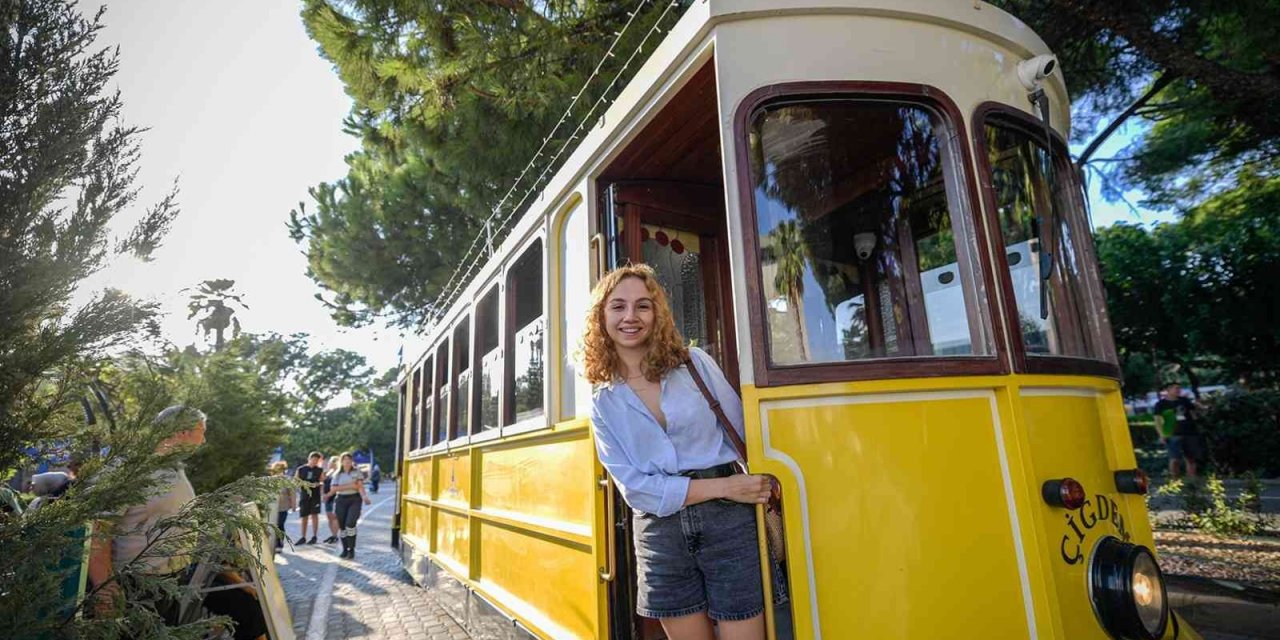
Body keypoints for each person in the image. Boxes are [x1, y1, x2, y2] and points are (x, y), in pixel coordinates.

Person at [582, 265, 771, 640]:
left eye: (643, 306)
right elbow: (636, 488)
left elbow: (743, 433)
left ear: (658, 314)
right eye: (618, 307)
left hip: (729, 523)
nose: (630, 317)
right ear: (601, 318)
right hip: (660, 534)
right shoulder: (602, 400)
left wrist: (751, 485)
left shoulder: (694, 364)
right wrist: (724, 488)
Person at [324, 452, 372, 559]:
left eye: (349, 459)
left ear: (351, 461)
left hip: (354, 499)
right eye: (344, 459)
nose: (347, 461)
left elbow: (359, 486)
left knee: (350, 524)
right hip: (341, 500)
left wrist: (364, 497)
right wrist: (351, 485)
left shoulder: (356, 472)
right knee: (342, 526)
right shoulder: (337, 474)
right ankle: (345, 549)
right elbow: (334, 489)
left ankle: (351, 549)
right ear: (341, 461)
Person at [1153, 382, 1203, 479]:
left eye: (1179, 388)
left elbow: (1194, 413)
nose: (1178, 390)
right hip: (1172, 434)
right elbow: (1157, 421)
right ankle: (1175, 481)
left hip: (1189, 432)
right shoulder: (1161, 404)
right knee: (1175, 459)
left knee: (1191, 458)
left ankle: (1192, 481)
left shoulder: (1184, 401)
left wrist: (1199, 407)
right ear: (1168, 390)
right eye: (1176, 388)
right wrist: (1161, 434)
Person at [295, 452, 325, 545]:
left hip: (315, 496)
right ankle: (303, 537)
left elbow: (322, 481)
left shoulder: (320, 470)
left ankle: (314, 536)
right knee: (304, 516)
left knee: (314, 515)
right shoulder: (301, 469)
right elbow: (295, 482)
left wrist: (319, 486)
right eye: (313, 459)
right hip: (304, 495)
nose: (315, 461)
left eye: (317, 460)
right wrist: (304, 484)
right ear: (309, 459)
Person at [271, 461, 295, 550]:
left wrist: (293, 506)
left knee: (280, 524)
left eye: (281, 469)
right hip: (272, 508)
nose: (279, 471)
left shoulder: (287, 480)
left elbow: (292, 494)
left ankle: (279, 544)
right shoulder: (270, 480)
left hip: (283, 507)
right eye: (277, 469)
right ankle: (274, 543)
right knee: (274, 525)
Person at [322, 455, 341, 544]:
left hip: (333, 497)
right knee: (329, 517)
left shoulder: (337, 473)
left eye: (330, 462)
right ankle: (333, 535)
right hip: (327, 497)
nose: (329, 463)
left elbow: (336, 487)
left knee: (334, 517)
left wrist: (328, 495)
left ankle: (335, 535)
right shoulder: (329, 472)